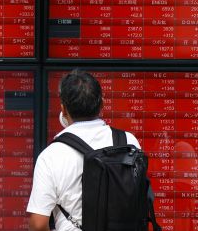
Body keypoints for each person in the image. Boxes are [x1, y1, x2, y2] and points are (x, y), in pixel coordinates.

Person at [26, 69, 141, 231]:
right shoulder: (129, 142)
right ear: (102, 104)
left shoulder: (52, 155)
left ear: (64, 110)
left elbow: (38, 224)